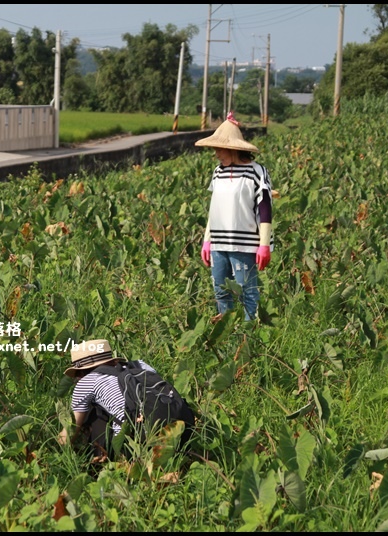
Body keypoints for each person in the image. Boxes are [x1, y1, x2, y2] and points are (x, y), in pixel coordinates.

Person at [57, 339, 193, 461]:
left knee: (92, 414)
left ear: (81, 372)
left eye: (76, 375)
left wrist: (53, 448)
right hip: (182, 431)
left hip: (138, 445)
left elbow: (71, 430)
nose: (76, 380)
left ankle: (101, 463)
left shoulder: (86, 382)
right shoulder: (139, 365)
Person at [195, 113, 274, 321]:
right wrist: (207, 241)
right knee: (221, 291)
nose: (216, 154)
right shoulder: (218, 172)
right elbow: (215, 208)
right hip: (218, 244)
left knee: (248, 292)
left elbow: (265, 208)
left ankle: (251, 336)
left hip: (244, 244)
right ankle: (227, 334)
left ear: (233, 148)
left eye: (219, 149)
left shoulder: (256, 172)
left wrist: (264, 244)